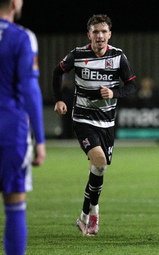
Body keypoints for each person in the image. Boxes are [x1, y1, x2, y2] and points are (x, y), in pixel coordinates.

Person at [52, 14, 136, 236]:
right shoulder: (78, 55)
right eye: (95, 32)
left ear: (110, 34)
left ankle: (83, 216)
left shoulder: (118, 57)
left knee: (99, 168)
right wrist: (59, 99)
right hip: (82, 119)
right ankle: (95, 212)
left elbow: (131, 86)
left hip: (107, 122)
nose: (100, 36)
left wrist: (114, 92)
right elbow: (57, 72)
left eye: (103, 32)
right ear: (89, 35)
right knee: (98, 160)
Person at [0, 0, 46, 254]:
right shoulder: (23, 37)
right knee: (14, 205)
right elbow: (30, 89)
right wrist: (39, 140)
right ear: (15, 3)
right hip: (10, 131)